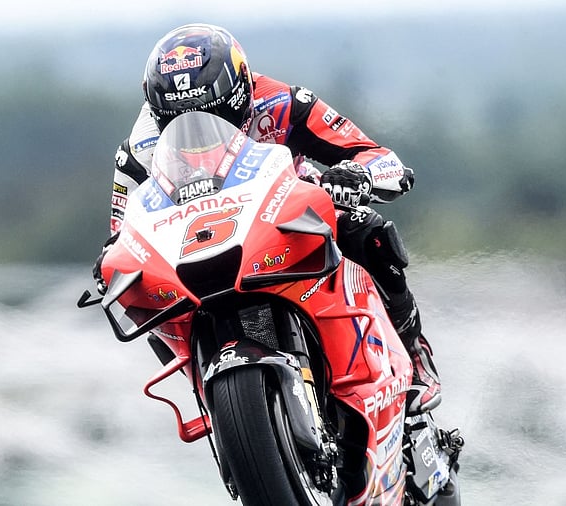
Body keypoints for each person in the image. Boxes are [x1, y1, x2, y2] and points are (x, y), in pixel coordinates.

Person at [95, 23, 440, 416]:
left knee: (365, 230)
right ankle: (211, 397)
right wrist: (111, 261)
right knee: (141, 293)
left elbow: (379, 156)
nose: (198, 134)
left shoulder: (283, 102)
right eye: (178, 122)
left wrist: (356, 175)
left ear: (241, 94)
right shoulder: (138, 149)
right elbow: (122, 232)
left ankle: (414, 353)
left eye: (214, 114)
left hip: (283, 216)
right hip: (194, 242)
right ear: (158, 115)